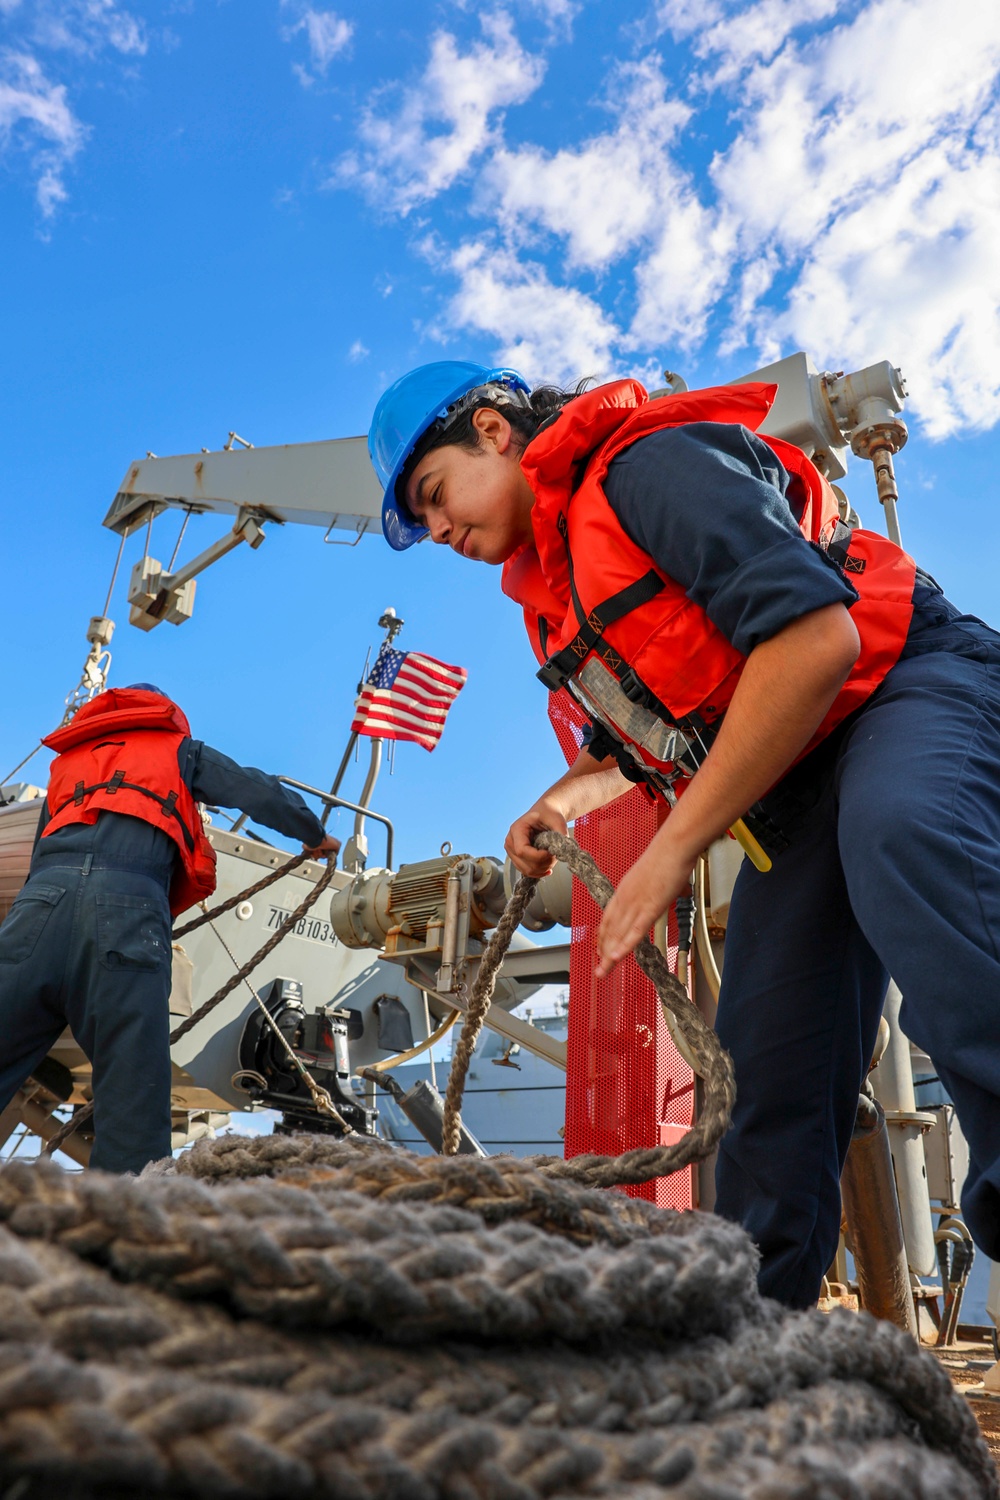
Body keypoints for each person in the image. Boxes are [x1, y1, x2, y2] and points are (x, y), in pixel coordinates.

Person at [368, 360, 1000, 1310]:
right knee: (765, 1062)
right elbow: (641, 740)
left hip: (904, 685)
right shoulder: (560, 591)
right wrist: (559, 803)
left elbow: (815, 642)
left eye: (434, 495)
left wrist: (668, 854)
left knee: (907, 836)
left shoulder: (647, 469)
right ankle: (745, 1340)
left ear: (494, 432)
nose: (441, 529)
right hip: (796, 781)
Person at [0, 684, 339, 1174]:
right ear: (163, 714)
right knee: (133, 1091)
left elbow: (39, 856)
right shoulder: (177, 750)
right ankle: (126, 1228)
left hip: (37, 908)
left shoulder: (66, 763)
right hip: (126, 908)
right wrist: (313, 833)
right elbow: (255, 790)